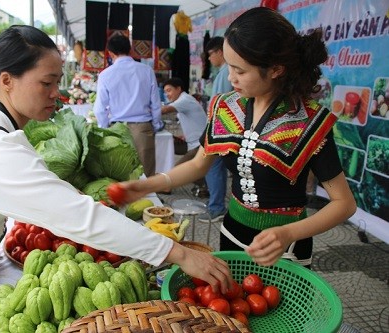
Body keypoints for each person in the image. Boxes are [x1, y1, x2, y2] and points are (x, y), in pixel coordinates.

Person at [0, 25, 232, 333]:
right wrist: (179, 253)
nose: (56, 94)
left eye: (58, 82)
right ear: (7, 80)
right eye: (46, 83)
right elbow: (79, 217)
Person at [119, 7, 356, 268]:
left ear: (276, 69)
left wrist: (289, 233)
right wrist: (147, 185)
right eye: (229, 67)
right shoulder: (226, 107)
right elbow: (199, 165)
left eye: (240, 71)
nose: (231, 78)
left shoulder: (310, 122)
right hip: (232, 233)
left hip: (285, 248)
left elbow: (344, 204)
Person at [93, 34, 164, 177]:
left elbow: (100, 108)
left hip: (117, 129)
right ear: (131, 50)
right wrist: (156, 125)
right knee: (146, 176)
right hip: (143, 128)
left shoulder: (105, 74)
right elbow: (156, 103)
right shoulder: (146, 71)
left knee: (121, 173)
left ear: (111, 53)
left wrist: (105, 128)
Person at [199, 36, 232, 223]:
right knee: (214, 168)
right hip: (220, 129)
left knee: (212, 167)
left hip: (220, 129)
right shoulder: (224, 71)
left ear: (220, 51)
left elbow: (222, 104)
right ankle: (216, 205)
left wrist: (213, 132)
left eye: (210, 54)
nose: (209, 59)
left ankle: (216, 208)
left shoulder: (227, 71)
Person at [161, 77, 207, 189]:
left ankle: (166, 187)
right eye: (165, 92)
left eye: (169, 90)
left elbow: (165, 110)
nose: (167, 94)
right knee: (169, 143)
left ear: (178, 89)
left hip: (199, 144)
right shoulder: (183, 100)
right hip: (192, 141)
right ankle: (202, 183)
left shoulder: (185, 99)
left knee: (176, 172)